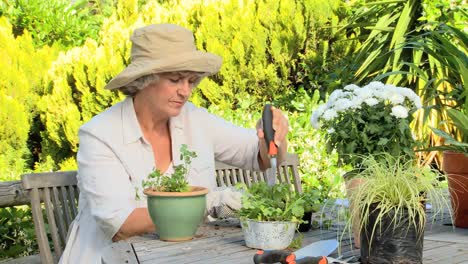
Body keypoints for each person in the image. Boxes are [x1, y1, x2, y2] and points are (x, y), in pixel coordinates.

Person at [59, 23, 289, 263]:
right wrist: (205, 204)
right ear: (144, 79)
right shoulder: (100, 135)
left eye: (191, 81)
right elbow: (121, 226)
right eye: (175, 80)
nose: (185, 91)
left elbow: (260, 157)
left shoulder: (194, 119)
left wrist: (276, 134)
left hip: (184, 257)